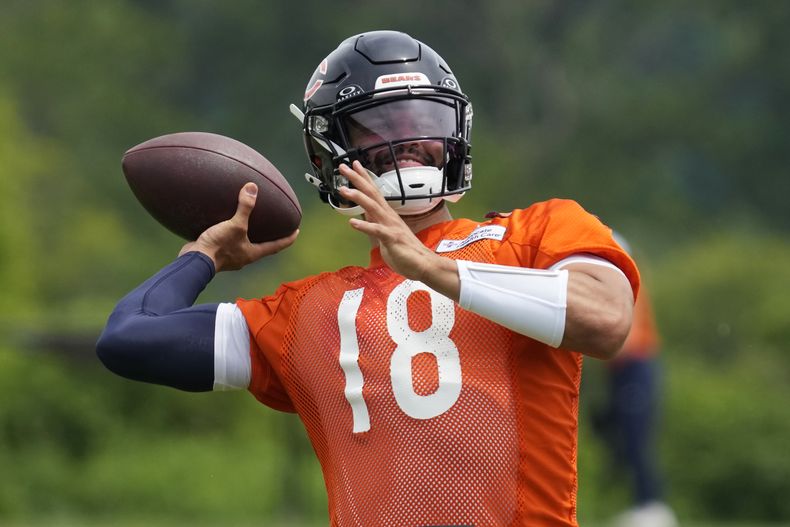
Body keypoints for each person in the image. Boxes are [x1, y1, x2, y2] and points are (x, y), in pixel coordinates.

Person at [97, 30, 640, 527]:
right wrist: (205, 256)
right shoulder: (307, 313)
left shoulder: (541, 231)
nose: (407, 142)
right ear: (331, 154)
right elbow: (129, 338)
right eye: (380, 127)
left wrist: (430, 267)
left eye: (423, 122)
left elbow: (607, 320)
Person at [593, 234, 678, 527]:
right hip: (623, 370)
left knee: (636, 439)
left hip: (636, 365)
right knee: (617, 435)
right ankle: (643, 504)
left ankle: (652, 508)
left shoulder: (627, 285)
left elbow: (623, 338)